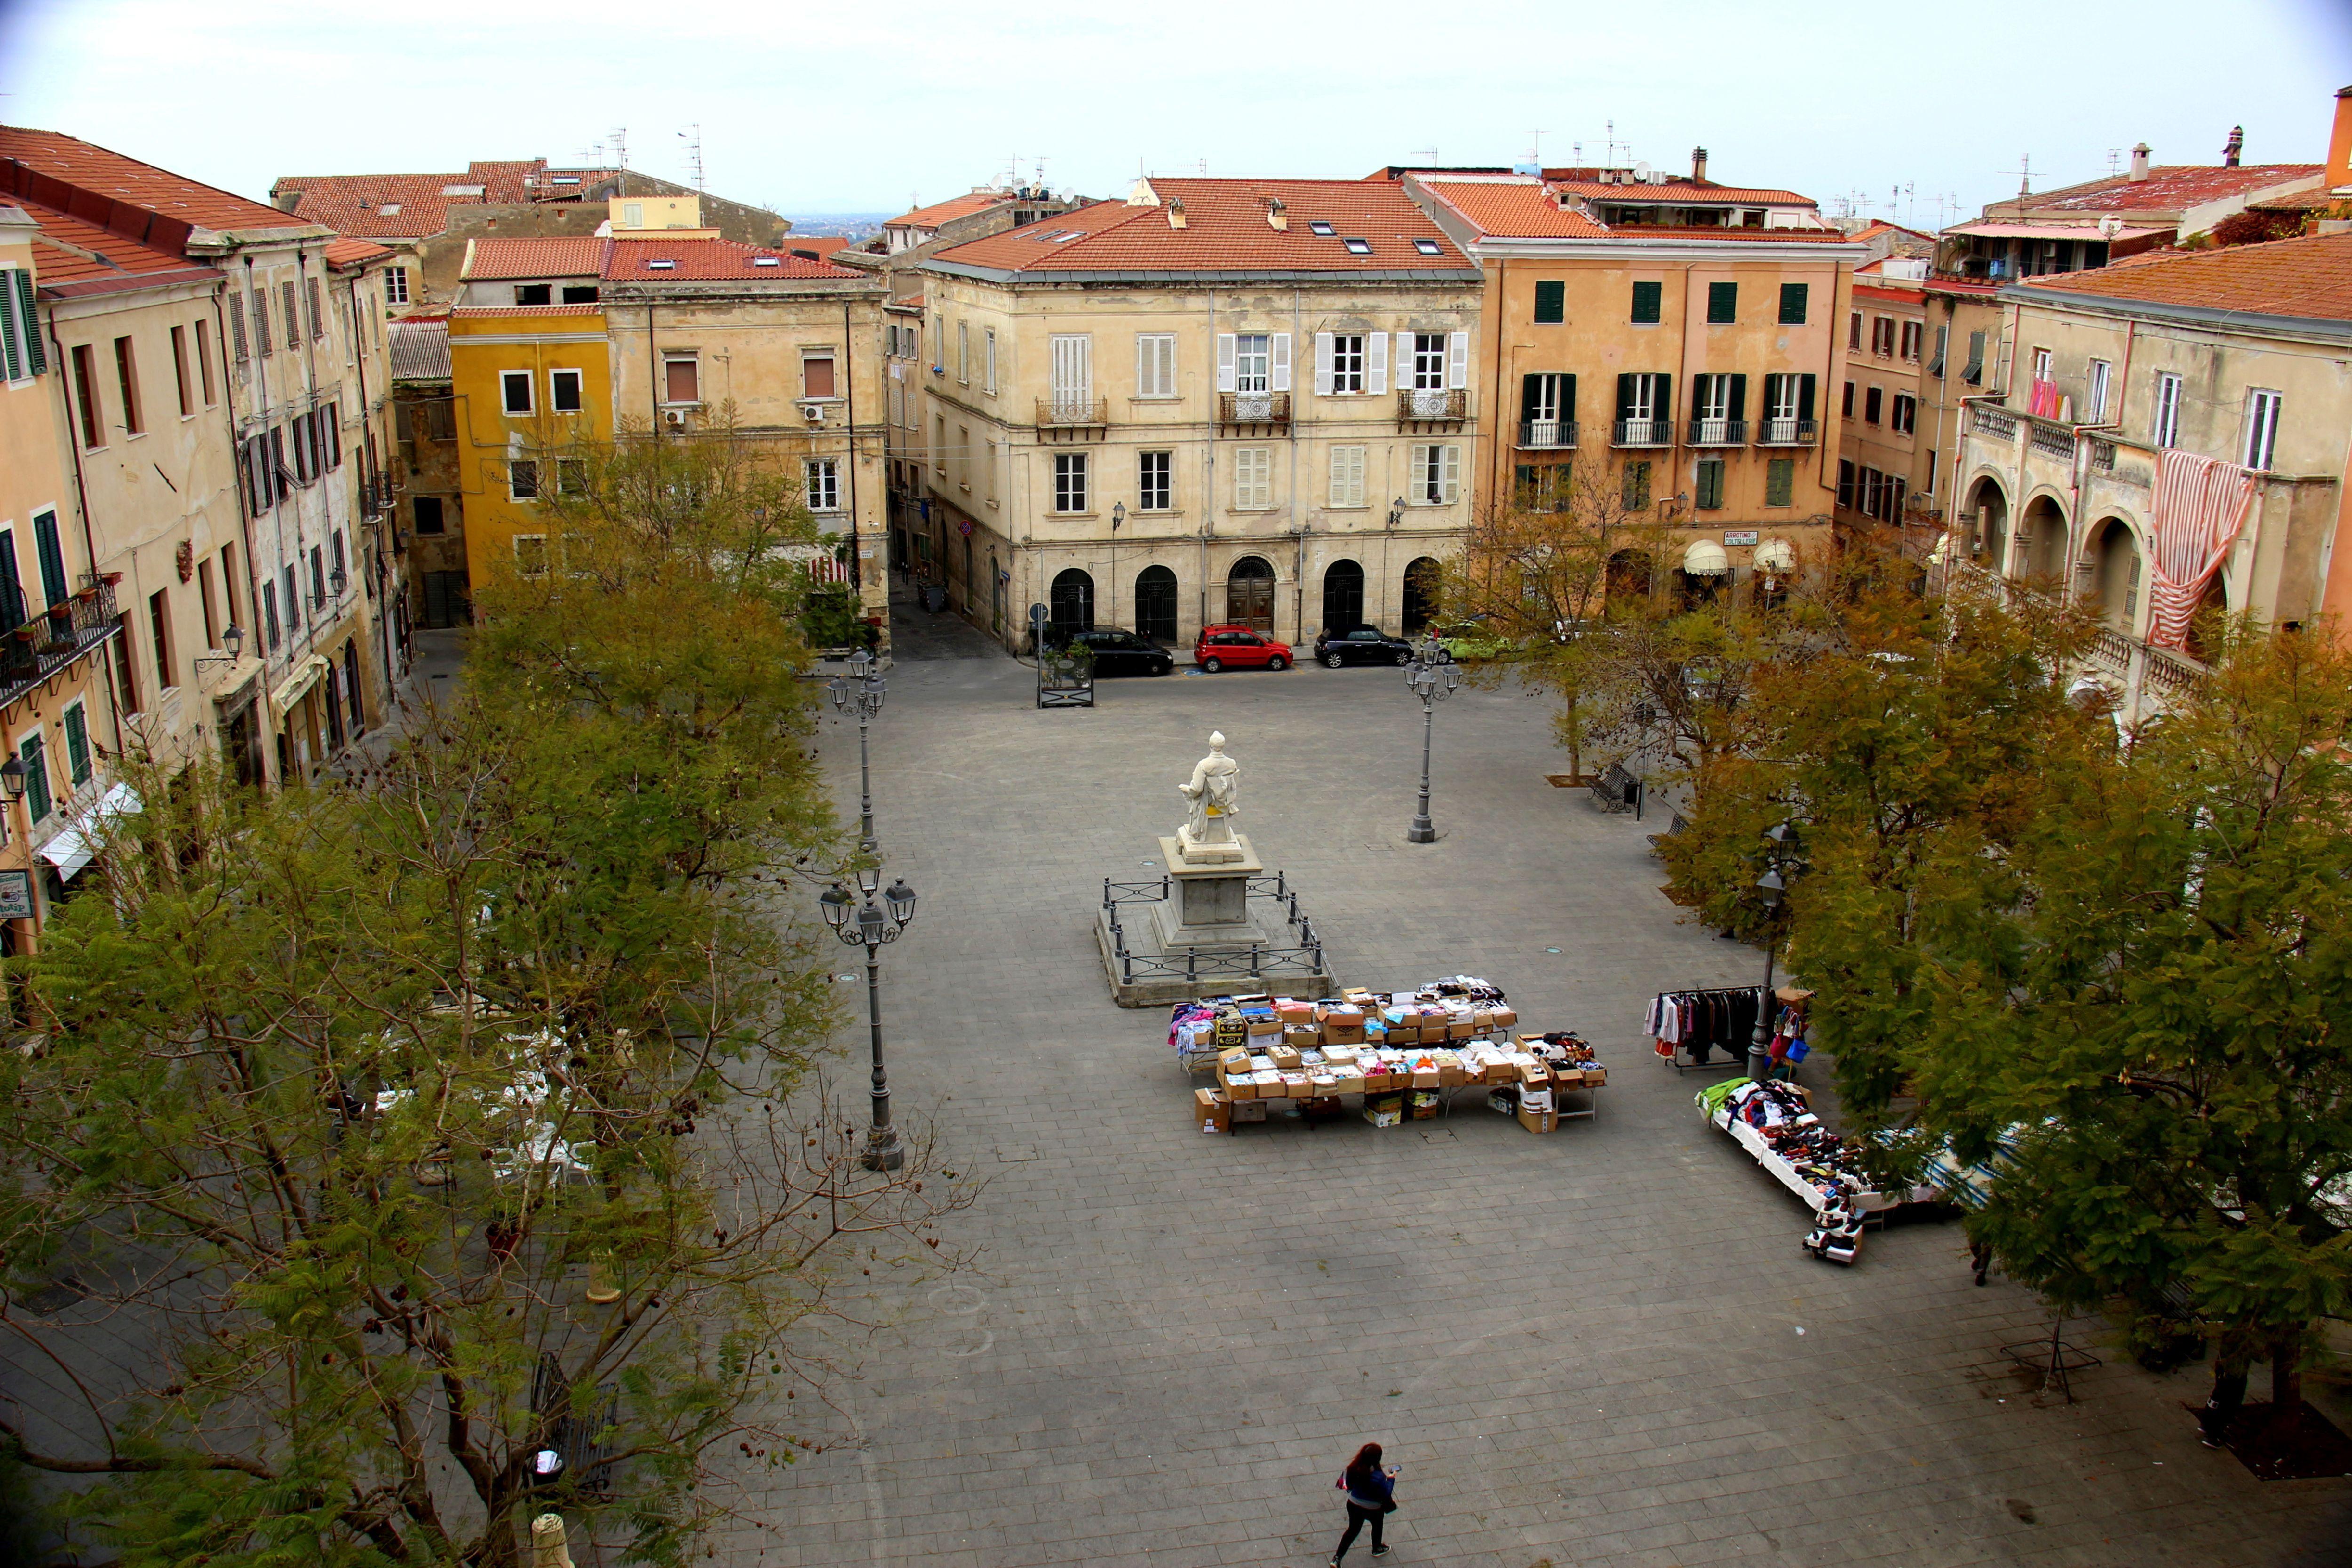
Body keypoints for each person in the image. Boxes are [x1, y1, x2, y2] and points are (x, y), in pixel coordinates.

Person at [1331, 1441, 1397, 1564]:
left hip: (1353, 1504)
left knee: (1352, 1531)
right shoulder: (1378, 1476)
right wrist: (1391, 1479)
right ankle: (1377, 1548)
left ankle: (1337, 1558)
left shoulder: (1353, 1468)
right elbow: (1386, 1493)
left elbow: (1348, 1486)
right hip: (1373, 1509)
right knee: (1377, 1526)